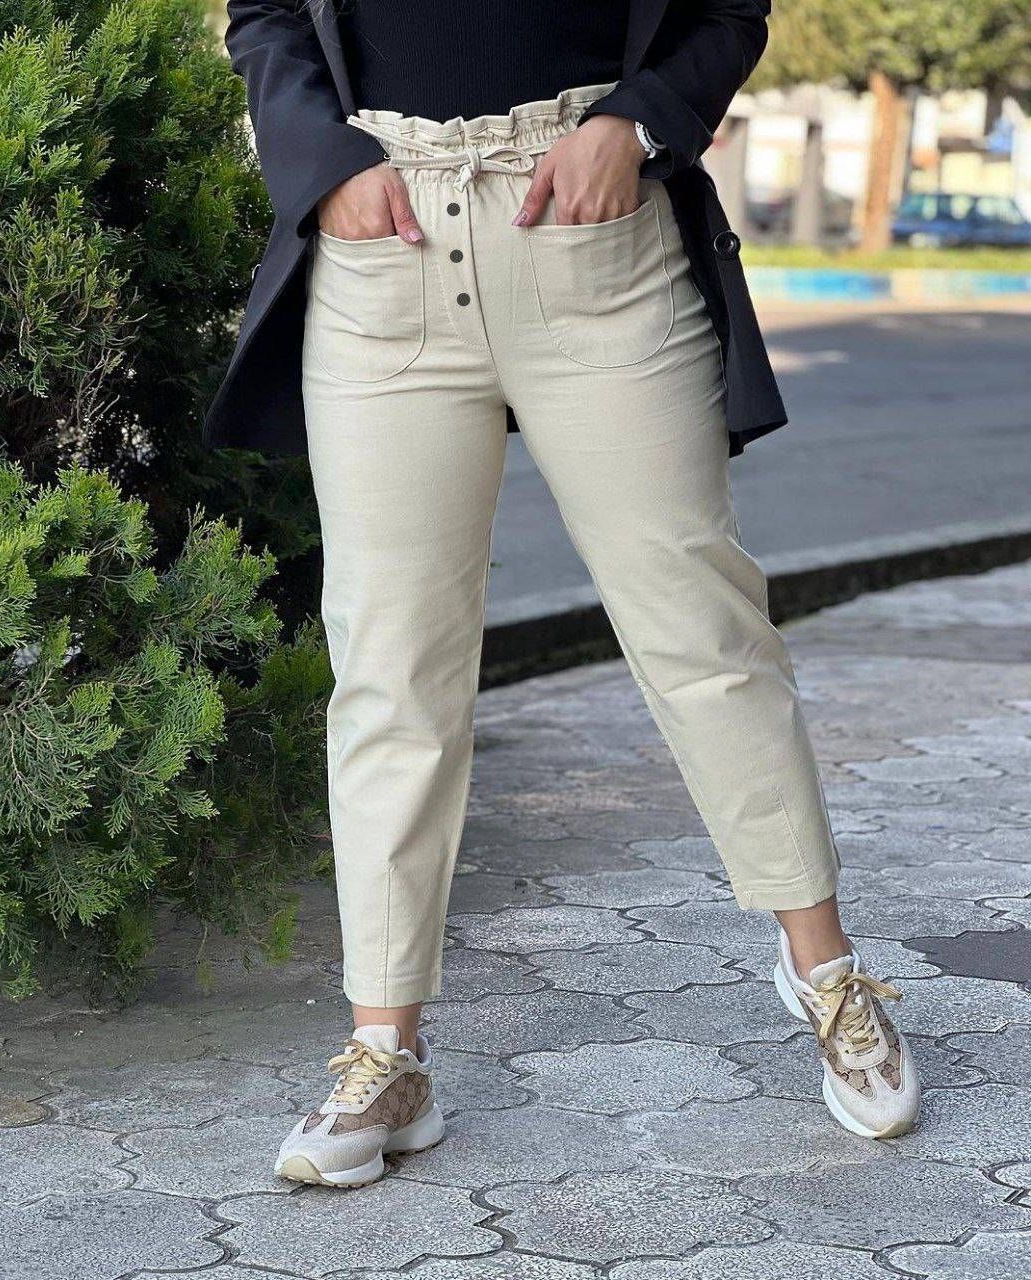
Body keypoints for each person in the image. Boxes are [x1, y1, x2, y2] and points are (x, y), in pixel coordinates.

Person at [207, 0, 921, 1189]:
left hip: (594, 235)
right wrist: (325, 166)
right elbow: (267, 14)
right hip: (384, 242)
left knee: (702, 628)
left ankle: (826, 973)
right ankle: (387, 1053)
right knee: (390, 663)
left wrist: (635, 124)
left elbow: (726, 9)